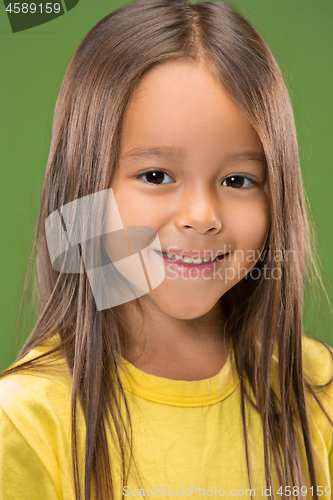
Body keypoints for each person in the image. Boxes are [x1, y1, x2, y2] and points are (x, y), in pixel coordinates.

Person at [0, 0, 332, 499]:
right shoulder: (25, 420)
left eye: (238, 179)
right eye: (156, 176)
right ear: (83, 190)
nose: (202, 215)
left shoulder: (318, 392)